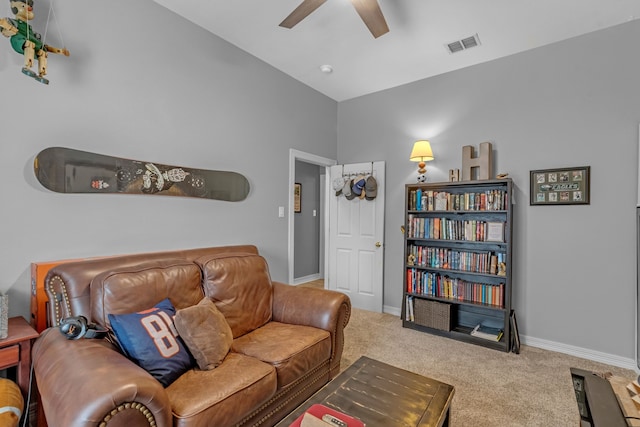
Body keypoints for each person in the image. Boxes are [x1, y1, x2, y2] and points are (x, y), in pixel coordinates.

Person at [0, 0, 69, 84]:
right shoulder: (14, 22)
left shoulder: (31, 31)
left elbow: (45, 46)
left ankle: (41, 74)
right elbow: (3, 26)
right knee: (29, 44)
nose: (29, 8)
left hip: (29, 43)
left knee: (42, 52)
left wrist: (60, 51)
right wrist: (9, 27)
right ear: (14, 8)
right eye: (23, 6)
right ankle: (27, 67)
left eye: (30, 6)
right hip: (18, 41)